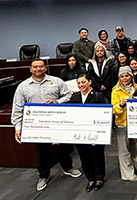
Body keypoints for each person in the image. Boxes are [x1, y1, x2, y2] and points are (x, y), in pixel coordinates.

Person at [11, 59, 81, 192]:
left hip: (57, 121)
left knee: (63, 147)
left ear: (45, 68)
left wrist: (57, 101)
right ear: (31, 69)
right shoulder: (23, 86)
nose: (38, 69)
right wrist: (17, 128)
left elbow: (68, 95)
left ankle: (68, 168)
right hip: (38, 125)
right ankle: (43, 176)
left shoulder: (56, 81)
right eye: (35, 67)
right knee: (42, 151)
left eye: (41, 66)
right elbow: (18, 108)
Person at [68, 74, 107, 192]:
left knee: (97, 156)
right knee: (84, 157)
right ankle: (90, 178)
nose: (81, 85)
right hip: (80, 134)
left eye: (83, 82)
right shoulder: (74, 97)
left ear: (89, 82)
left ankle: (99, 178)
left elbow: (105, 114)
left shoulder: (98, 96)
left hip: (95, 133)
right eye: (79, 83)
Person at [112, 66, 137, 181]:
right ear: (119, 78)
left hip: (135, 122)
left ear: (131, 76)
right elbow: (114, 110)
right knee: (124, 150)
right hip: (122, 123)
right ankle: (128, 174)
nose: (125, 78)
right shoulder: (115, 91)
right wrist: (121, 105)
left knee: (135, 146)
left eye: (127, 75)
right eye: (122, 76)